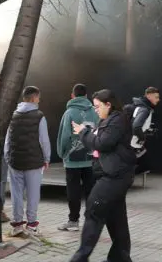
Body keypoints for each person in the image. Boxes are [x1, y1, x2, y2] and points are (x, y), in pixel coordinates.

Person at [70, 89, 137, 262]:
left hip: (114, 176)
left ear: (109, 104)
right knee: (117, 219)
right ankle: (120, 258)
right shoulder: (109, 120)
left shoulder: (117, 120)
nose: (96, 110)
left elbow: (102, 143)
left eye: (98, 106)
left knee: (94, 211)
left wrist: (84, 133)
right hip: (114, 175)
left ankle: (80, 258)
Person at [4, 85, 50, 236]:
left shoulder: (13, 115)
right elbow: (44, 140)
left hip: (15, 161)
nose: (39, 100)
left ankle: (17, 225)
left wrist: (7, 156)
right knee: (33, 193)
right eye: (39, 97)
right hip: (33, 162)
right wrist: (47, 158)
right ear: (34, 97)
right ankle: (31, 225)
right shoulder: (39, 116)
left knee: (16, 193)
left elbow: (7, 140)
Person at [57, 83, 100, 231]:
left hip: (72, 160)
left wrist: (62, 153)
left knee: (73, 190)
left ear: (72, 96)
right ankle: (92, 220)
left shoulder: (69, 113)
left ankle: (73, 221)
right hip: (90, 158)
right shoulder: (95, 112)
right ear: (87, 96)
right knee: (91, 190)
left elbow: (64, 136)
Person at [126, 87, 160, 159]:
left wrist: (147, 130)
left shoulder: (140, 107)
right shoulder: (144, 110)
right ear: (149, 96)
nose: (158, 100)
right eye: (156, 97)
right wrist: (142, 138)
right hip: (130, 143)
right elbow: (136, 126)